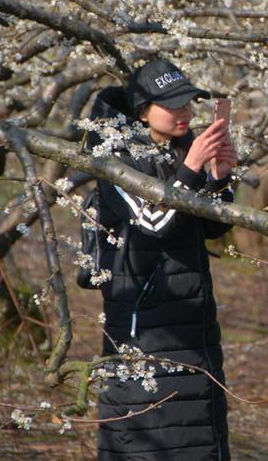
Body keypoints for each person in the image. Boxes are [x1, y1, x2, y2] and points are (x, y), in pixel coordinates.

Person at [88, 59, 237, 460]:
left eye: (188, 104)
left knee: (199, 437)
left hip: (195, 326)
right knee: (149, 443)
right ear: (142, 112)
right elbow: (155, 221)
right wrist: (191, 170)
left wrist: (219, 179)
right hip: (146, 334)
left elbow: (208, 228)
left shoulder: (179, 151)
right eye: (173, 106)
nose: (185, 113)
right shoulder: (114, 159)